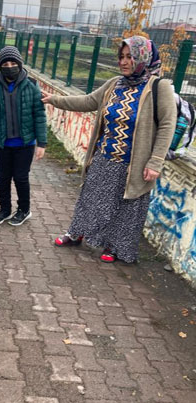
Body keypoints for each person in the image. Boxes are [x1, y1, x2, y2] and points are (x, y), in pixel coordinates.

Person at [42, 36, 175, 263]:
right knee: (90, 199)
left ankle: (116, 247)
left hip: (134, 162)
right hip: (104, 156)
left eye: (129, 57)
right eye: (121, 57)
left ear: (141, 57)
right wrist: (54, 99)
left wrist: (155, 161)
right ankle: (76, 233)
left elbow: (167, 124)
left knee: (127, 206)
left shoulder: (158, 87)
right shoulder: (114, 83)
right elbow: (87, 101)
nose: (123, 62)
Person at [0, 46, 47, 227]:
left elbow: (39, 114)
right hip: (3, 143)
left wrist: (42, 142)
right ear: (1, 66)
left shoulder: (32, 85)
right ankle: (4, 209)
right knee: (3, 177)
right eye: (5, 64)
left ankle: (24, 210)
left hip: (25, 143)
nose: (10, 67)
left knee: (20, 177)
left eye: (13, 63)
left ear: (19, 64)